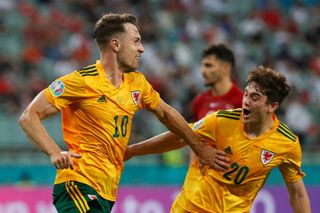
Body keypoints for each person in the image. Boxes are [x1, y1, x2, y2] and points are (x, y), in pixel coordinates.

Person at [18, 13, 229, 213]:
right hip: (78, 184)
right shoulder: (81, 81)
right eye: (136, 41)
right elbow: (29, 116)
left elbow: (166, 114)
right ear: (116, 44)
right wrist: (54, 151)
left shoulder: (137, 83)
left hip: (107, 191)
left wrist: (200, 148)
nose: (142, 48)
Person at [125, 66, 311, 213]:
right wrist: (133, 150)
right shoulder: (221, 121)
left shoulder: (286, 143)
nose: (246, 101)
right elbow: (181, 136)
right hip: (191, 208)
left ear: (272, 106)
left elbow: (297, 193)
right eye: (246, 93)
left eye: (255, 97)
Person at [191, 43, 243, 121]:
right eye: (203, 66)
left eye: (208, 65)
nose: (203, 71)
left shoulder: (243, 102)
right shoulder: (199, 101)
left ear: (226, 68)